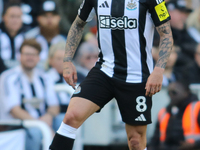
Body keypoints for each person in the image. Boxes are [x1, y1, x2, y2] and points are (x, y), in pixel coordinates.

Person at [49, 0, 173, 150]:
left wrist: (159, 70)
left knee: (135, 141)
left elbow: (166, 33)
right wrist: (67, 60)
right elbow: (78, 24)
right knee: (71, 117)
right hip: (104, 71)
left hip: (136, 76)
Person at [0, 39, 59, 150]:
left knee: (62, 121)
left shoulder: (45, 77)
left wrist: (49, 116)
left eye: (33, 54)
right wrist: (42, 125)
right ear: (19, 56)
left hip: (42, 121)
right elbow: (15, 110)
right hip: (17, 124)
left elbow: (54, 106)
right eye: (27, 54)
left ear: (39, 57)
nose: (30, 58)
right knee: (36, 132)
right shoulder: (9, 77)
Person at [148, 81, 200, 150]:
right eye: (168, 93)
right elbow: (155, 139)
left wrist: (195, 144)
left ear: (186, 92)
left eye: (174, 92)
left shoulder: (197, 108)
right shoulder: (164, 112)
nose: (171, 95)